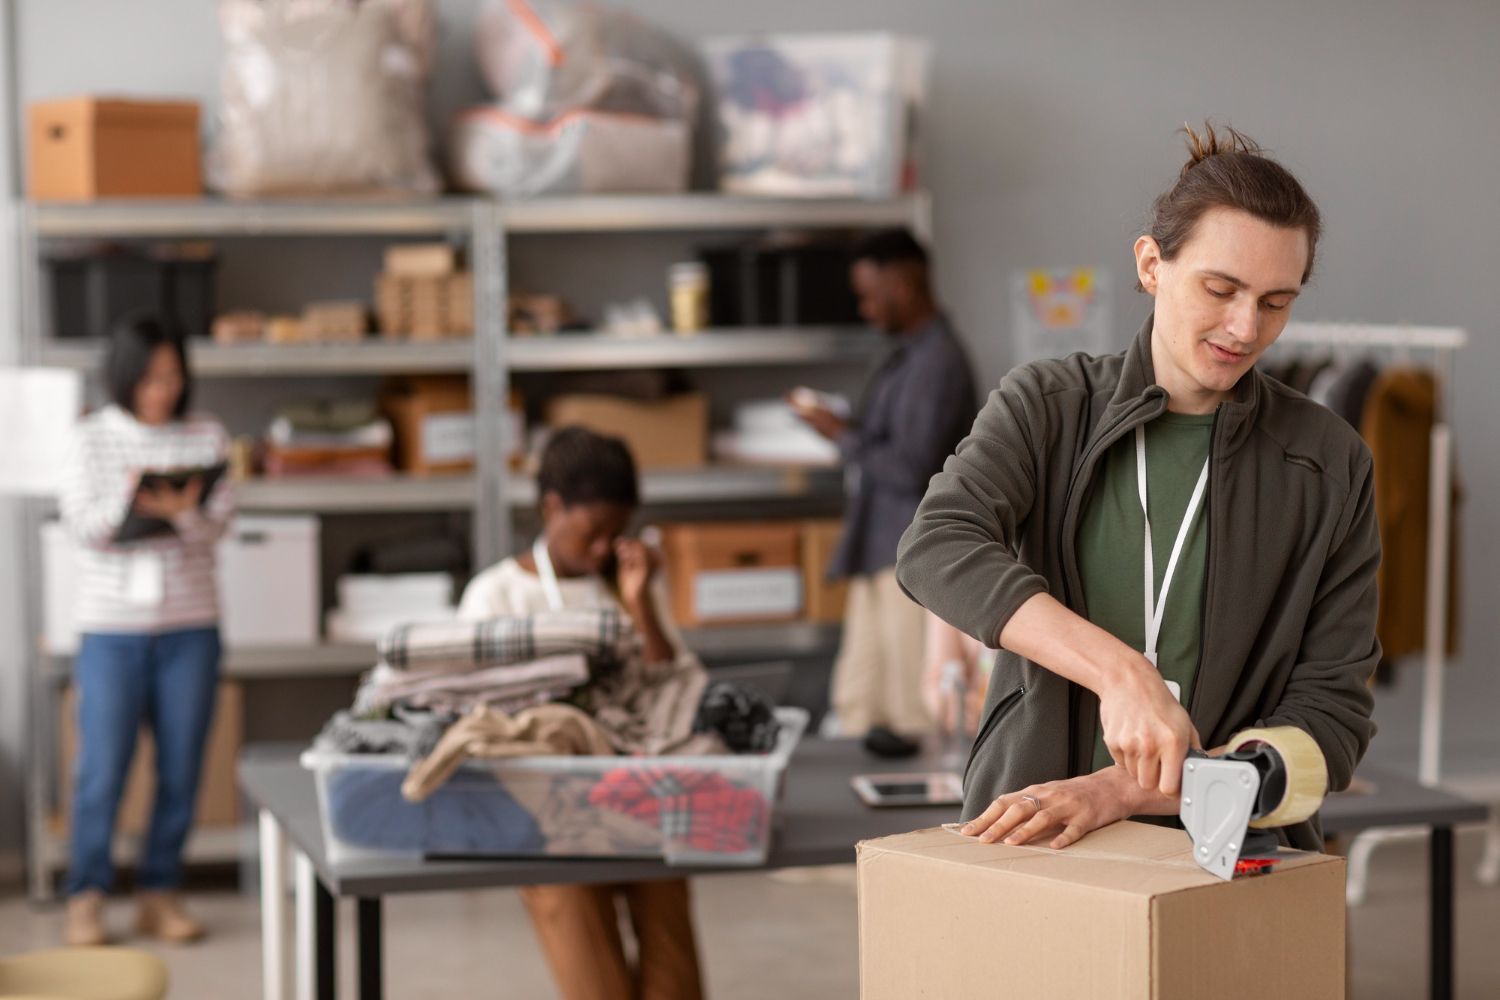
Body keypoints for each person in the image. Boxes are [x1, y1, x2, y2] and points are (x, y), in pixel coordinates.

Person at [896, 125, 1379, 853]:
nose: (1245, 328)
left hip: (1228, 858)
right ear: (1152, 265)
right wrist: (1122, 673)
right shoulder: (1048, 405)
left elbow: (1334, 720)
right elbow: (935, 546)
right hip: (1031, 837)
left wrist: (1136, 789)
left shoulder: (1328, 460)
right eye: (1221, 289)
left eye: (1276, 302)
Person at [457, 426, 703, 1000]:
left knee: (675, 968)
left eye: (616, 534)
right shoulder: (494, 597)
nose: (602, 550)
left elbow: (673, 690)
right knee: (597, 980)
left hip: (639, 798)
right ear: (552, 507)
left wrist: (640, 602)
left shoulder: (628, 583)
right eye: (592, 533)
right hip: (549, 818)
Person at [59, 315, 234, 946]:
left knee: (182, 769)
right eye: (151, 376)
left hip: (191, 625)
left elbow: (220, 525)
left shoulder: (206, 433)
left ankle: (160, 892)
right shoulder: (90, 437)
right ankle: (88, 893)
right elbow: (81, 524)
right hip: (111, 630)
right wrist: (134, 505)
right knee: (102, 768)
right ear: (126, 375)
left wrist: (183, 514)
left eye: (173, 376)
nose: (163, 388)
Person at [793, 228, 977, 740]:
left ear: (904, 283)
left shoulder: (938, 361)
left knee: (911, 712)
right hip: (879, 548)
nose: (866, 308)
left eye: (870, 294)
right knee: (858, 700)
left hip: (910, 555)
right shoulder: (906, 354)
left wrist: (839, 435)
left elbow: (911, 467)